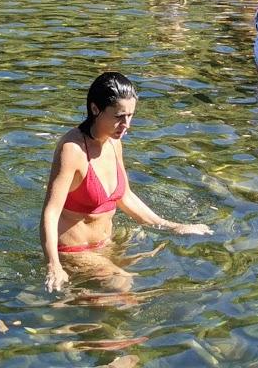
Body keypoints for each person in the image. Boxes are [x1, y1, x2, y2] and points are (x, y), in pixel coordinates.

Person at [40, 72, 210, 294]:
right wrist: (53, 265)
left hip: (107, 246)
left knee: (169, 273)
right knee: (124, 286)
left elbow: (125, 196)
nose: (127, 124)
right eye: (120, 116)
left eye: (130, 115)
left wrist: (172, 226)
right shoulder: (72, 150)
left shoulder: (113, 142)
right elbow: (50, 213)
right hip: (75, 250)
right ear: (95, 109)